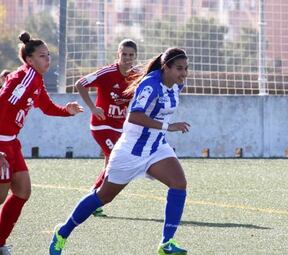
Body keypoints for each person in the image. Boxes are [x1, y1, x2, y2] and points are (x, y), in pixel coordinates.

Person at [49, 47, 190, 255]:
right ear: (166, 67)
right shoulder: (150, 85)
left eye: (186, 68)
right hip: (130, 151)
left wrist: (164, 129)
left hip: (156, 146)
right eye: (179, 68)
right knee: (103, 196)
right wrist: (169, 126)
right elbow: (134, 116)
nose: (184, 73)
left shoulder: (176, 85)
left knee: (179, 183)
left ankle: (166, 243)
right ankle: (63, 231)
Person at [0, 31, 84, 255]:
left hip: (12, 144)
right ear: (29, 59)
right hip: (1, 144)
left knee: (22, 192)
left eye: (48, 55)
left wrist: (66, 111)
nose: (47, 60)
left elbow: (46, 106)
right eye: (42, 56)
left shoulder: (35, 78)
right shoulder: (23, 78)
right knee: (0, 197)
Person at [75, 39, 139, 217]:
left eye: (131, 55)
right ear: (117, 55)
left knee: (110, 163)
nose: (127, 58)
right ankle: (93, 198)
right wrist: (92, 107)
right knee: (115, 159)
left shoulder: (138, 75)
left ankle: (93, 200)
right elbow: (80, 83)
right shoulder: (107, 73)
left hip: (120, 128)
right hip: (101, 125)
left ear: (135, 56)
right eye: (124, 54)